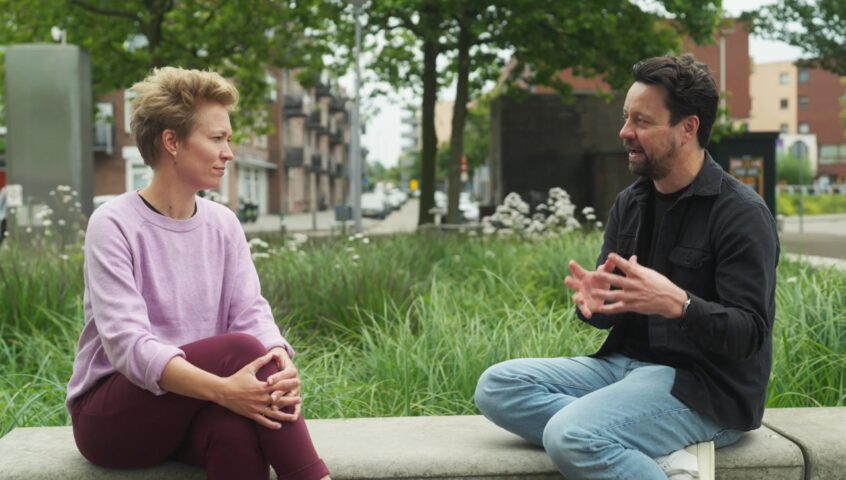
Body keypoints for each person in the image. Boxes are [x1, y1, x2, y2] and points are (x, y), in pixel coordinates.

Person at [474, 55, 779, 480]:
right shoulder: (631, 202)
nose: (625, 133)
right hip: (624, 368)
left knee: (570, 435)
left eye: (642, 121)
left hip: (704, 389)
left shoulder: (741, 213)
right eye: (625, 118)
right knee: (496, 387)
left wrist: (680, 304)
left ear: (688, 128)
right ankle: (641, 446)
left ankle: (618, 439)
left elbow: (750, 335)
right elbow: (605, 311)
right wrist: (594, 304)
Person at [67, 67, 330, 480]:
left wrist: (278, 357)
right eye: (217, 138)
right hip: (114, 420)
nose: (229, 152)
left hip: (193, 411)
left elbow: (250, 312)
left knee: (237, 431)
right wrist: (226, 389)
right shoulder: (113, 223)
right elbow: (129, 346)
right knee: (242, 351)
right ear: (172, 142)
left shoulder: (223, 224)